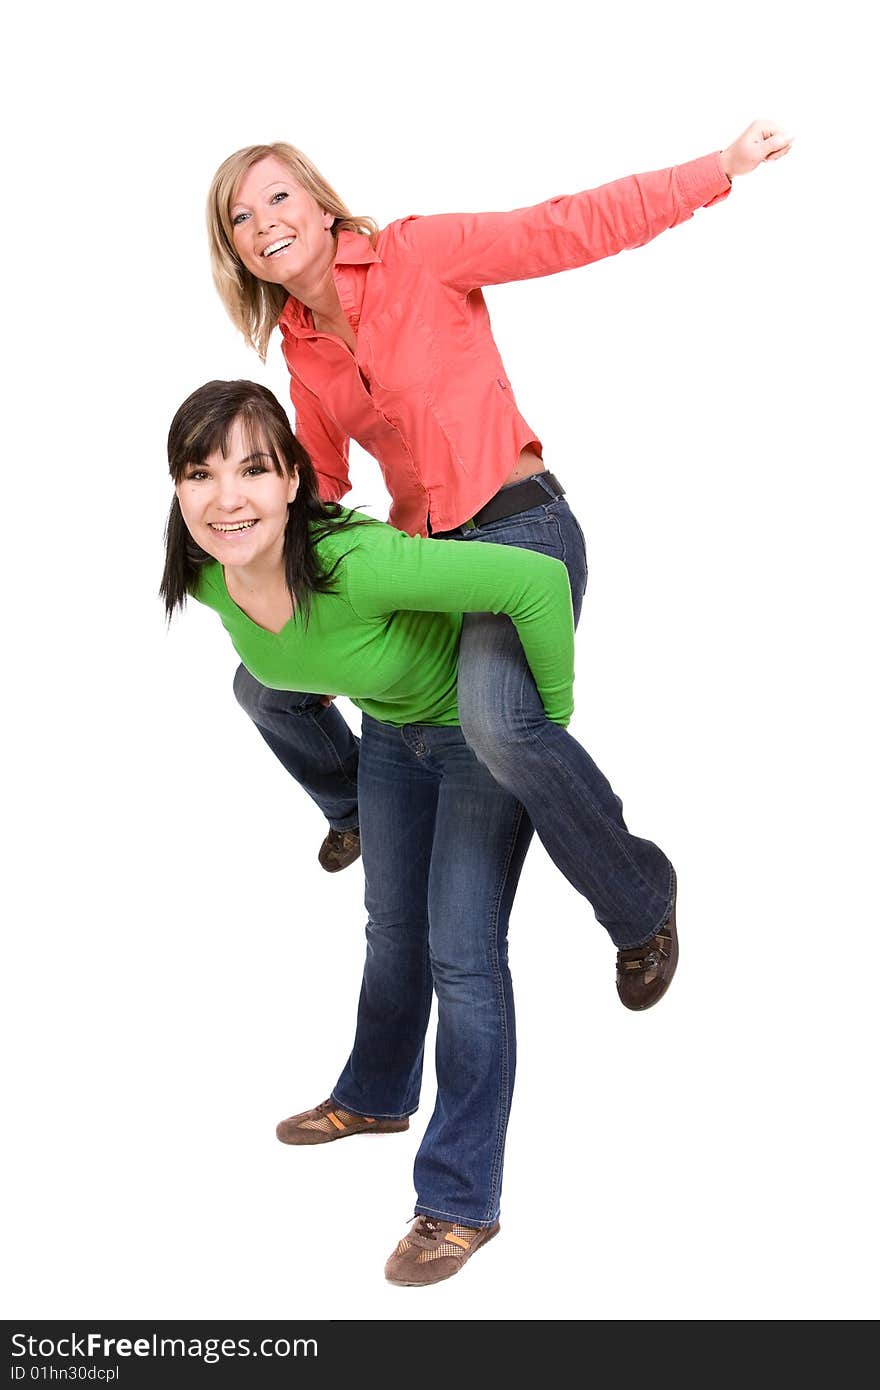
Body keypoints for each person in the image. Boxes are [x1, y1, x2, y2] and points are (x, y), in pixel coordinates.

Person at [206, 119, 792, 1005]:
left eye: (278, 197)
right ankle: (355, 807)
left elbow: (562, 227)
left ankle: (639, 895)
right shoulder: (304, 350)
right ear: (237, 251)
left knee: (495, 718)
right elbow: (317, 488)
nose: (263, 224)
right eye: (241, 218)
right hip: (428, 569)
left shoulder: (417, 253)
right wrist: (249, 543)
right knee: (262, 684)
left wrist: (719, 168)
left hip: (521, 530)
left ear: (321, 206)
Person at [162, 378, 582, 1283]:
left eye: (251, 470)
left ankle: (460, 1202)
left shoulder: (363, 560)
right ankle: (375, 1096)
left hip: (475, 738)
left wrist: (538, 731)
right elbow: (287, 665)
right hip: (392, 731)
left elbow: (538, 581)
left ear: (294, 482)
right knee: (391, 928)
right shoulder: (207, 573)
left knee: (462, 956)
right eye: (199, 473)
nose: (225, 497)